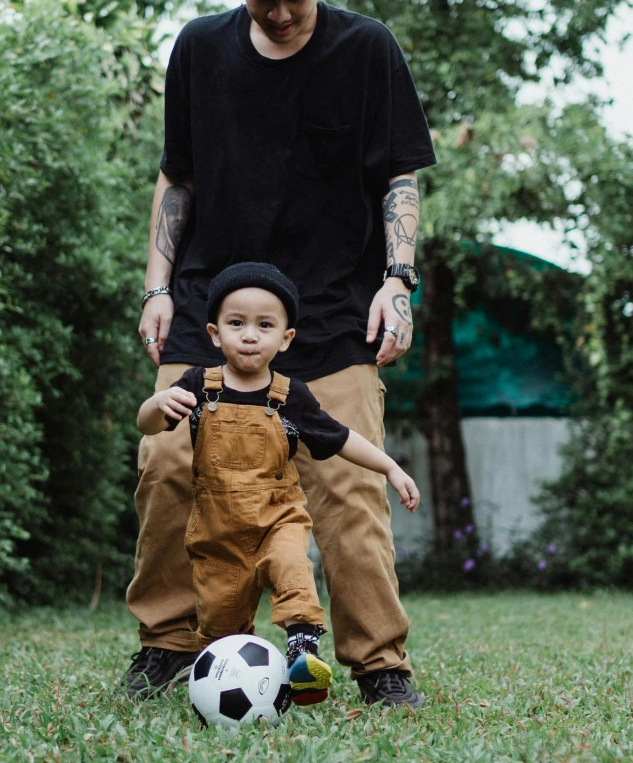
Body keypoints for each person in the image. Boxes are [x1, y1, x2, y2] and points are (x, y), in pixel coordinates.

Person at [120, 0, 435, 707]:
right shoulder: (198, 48)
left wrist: (397, 280)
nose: (283, 10)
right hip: (213, 307)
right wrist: (158, 286)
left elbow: (400, 175)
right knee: (166, 463)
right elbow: (177, 177)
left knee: (350, 483)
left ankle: (380, 664)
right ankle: (166, 644)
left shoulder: (366, 50)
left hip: (332, 310)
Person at [135, 264, 421, 705]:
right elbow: (148, 425)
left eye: (264, 325)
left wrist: (391, 469)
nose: (250, 335)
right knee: (222, 627)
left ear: (285, 339)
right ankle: (236, 680)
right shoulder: (197, 386)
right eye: (236, 324)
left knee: (293, 568)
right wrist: (157, 404)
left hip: (277, 519)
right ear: (214, 334)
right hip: (217, 535)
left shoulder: (292, 397)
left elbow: (342, 438)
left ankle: (302, 653)